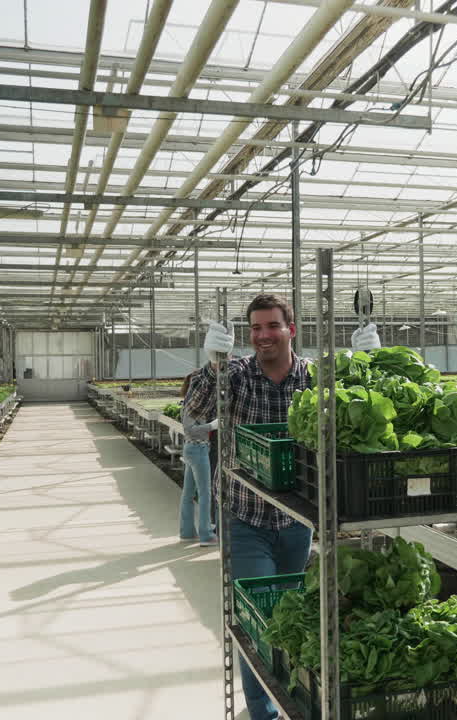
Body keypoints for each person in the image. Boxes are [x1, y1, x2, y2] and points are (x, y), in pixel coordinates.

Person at [182, 293, 380, 720]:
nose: (263, 335)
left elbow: (362, 413)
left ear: (291, 329)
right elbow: (194, 414)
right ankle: (263, 714)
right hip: (244, 517)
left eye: (272, 326)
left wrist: (370, 367)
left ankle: (296, 699)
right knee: (259, 621)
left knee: (290, 617)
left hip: (296, 519)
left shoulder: (314, 377)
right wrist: (213, 365)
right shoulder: (236, 374)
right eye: (255, 328)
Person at [178, 370, 217, 547]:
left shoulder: (192, 403)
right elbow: (190, 429)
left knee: (188, 493)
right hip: (198, 449)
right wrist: (213, 425)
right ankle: (206, 535)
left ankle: (187, 532)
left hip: (192, 449)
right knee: (205, 493)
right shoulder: (191, 406)